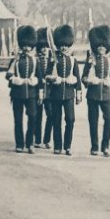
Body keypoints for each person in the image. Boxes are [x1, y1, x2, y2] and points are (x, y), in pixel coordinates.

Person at [43, 23, 81, 155]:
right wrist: (53, 78)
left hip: (69, 94)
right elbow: (46, 76)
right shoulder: (53, 59)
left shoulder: (73, 59)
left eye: (66, 45)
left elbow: (78, 78)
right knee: (56, 120)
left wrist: (78, 95)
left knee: (70, 119)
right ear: (59, 45)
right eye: (62, 45)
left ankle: (67, 146)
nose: (64, 47)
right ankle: (58, 146)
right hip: (56, 94)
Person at [83, 24, 110, 157]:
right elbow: (84, 78)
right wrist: (91, 78)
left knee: (109, 120)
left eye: (104, 46)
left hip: (106, 95)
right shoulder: (90, 60)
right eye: (99, 46)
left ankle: (105, 147)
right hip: (92, 95)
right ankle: (94, 147)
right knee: (93, 121)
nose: (102, 48)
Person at [5, 25, 39, 153]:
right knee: (18, 120)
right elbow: (8, 75)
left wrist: (40, 93)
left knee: (33, 117)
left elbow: (39, 77)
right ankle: (19, 144)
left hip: (31, 93)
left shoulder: (35, 61)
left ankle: (30, 143)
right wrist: (14, 79)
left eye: (28, 45)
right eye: (24, 45)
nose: (26, 47)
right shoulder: (16, 60)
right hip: (17, 93)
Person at [32, 27, 53, 148]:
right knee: (37, 116)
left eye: (46, 47)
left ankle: (47, 139)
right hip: (37, 92)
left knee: (50, 115)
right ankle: (38, 140)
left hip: (49, 93)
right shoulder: (35, 61)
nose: (45, 49)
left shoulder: (52, 60)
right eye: (42, 47)